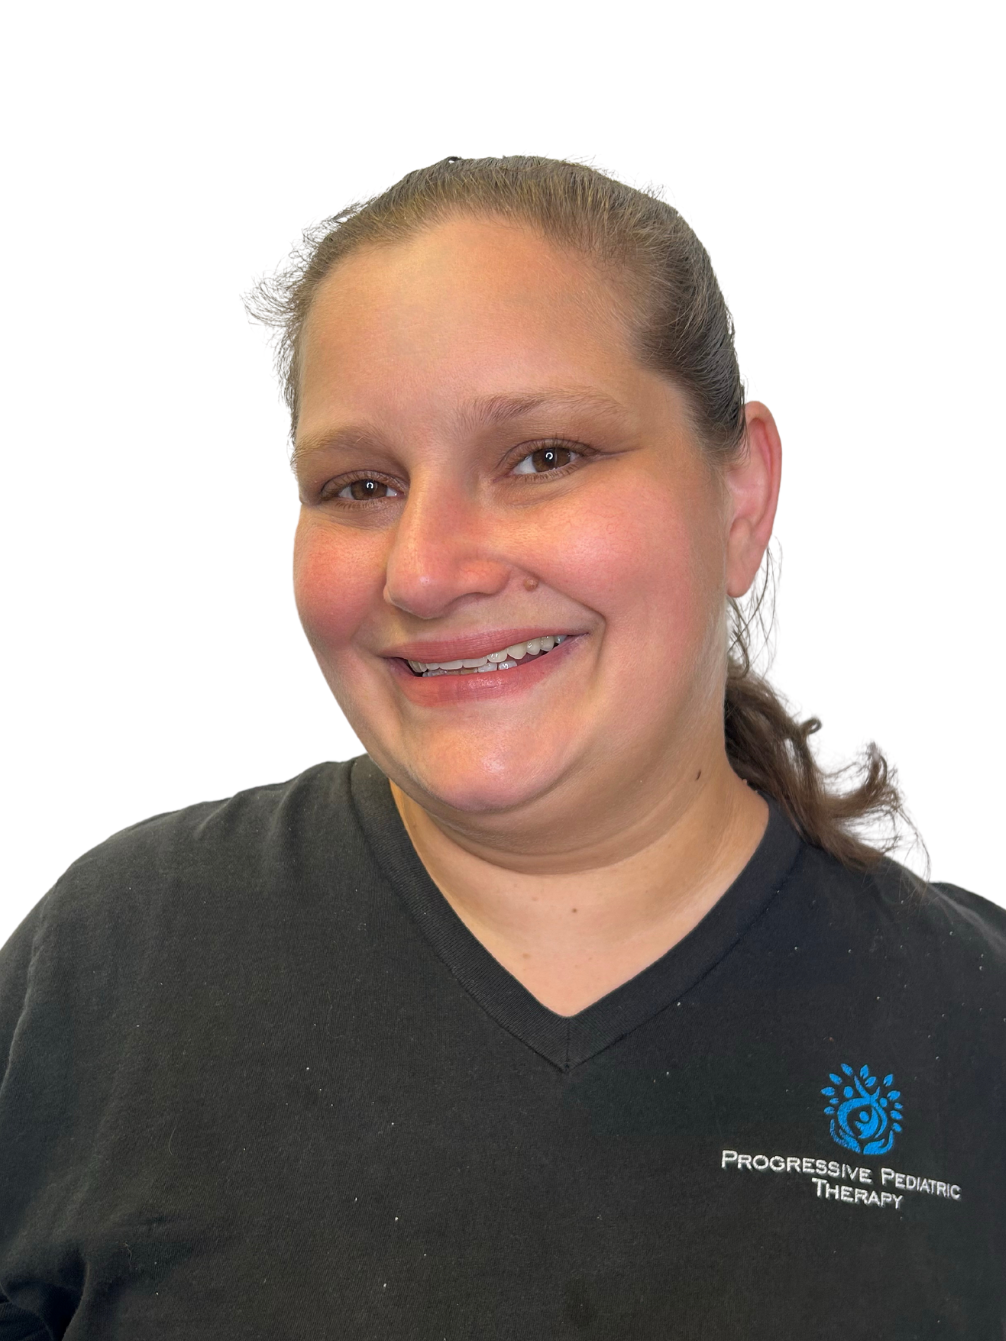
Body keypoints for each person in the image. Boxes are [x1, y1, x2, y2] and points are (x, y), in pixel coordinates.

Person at [0, 155, 1002, 1338]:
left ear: (739, 495)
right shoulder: (117, 961)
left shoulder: (972, 1026)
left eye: (544, 457)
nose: (424, 570)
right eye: (360, 483)